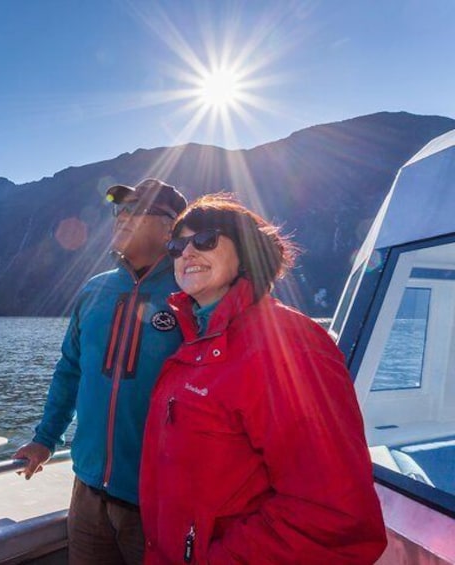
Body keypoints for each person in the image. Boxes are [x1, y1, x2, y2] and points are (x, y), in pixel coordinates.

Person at [139, 193, 387, 564]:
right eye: (176, 246)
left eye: (204, 240)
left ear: (248, 253)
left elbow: (333, 515)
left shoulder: (290, 347)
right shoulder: (195, 345)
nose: (186, 253)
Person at [14, 178, 188, 564]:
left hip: (159, 501)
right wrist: (45, 439)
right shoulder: (95, 291)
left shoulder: (192, 294)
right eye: (119, 210)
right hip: (88, 492)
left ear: (170, 227)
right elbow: (70, 371)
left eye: (136, 211)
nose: (122, 217)